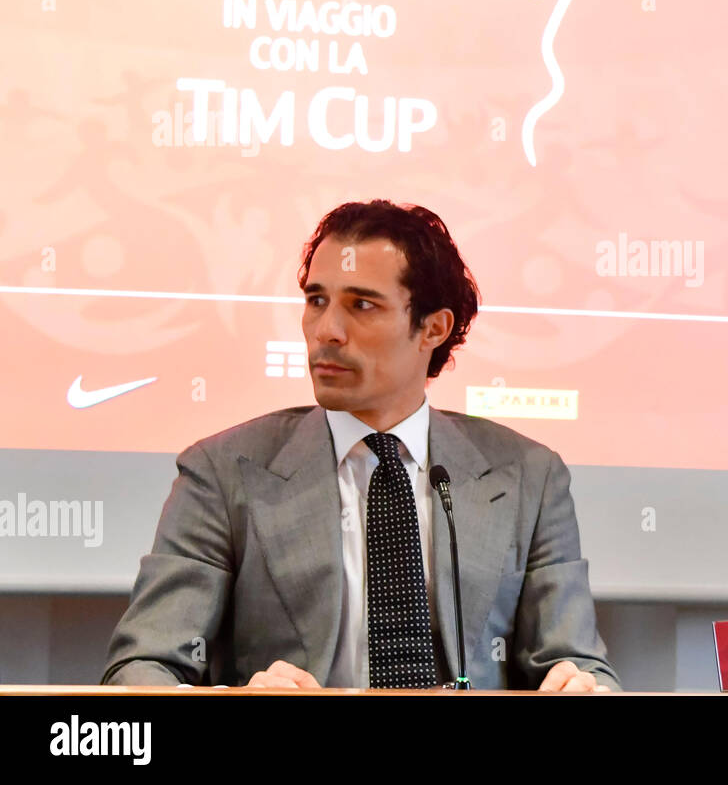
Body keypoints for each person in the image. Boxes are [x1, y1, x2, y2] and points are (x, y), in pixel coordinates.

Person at [103, 200, 620, 691]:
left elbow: (577, 664)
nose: (326, 331)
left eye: (362, 305)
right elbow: (143, 665)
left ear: (432, 328)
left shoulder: (528, 475)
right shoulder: (223, 472)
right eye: (316, 301)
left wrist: (581, 687)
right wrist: (236, 702)